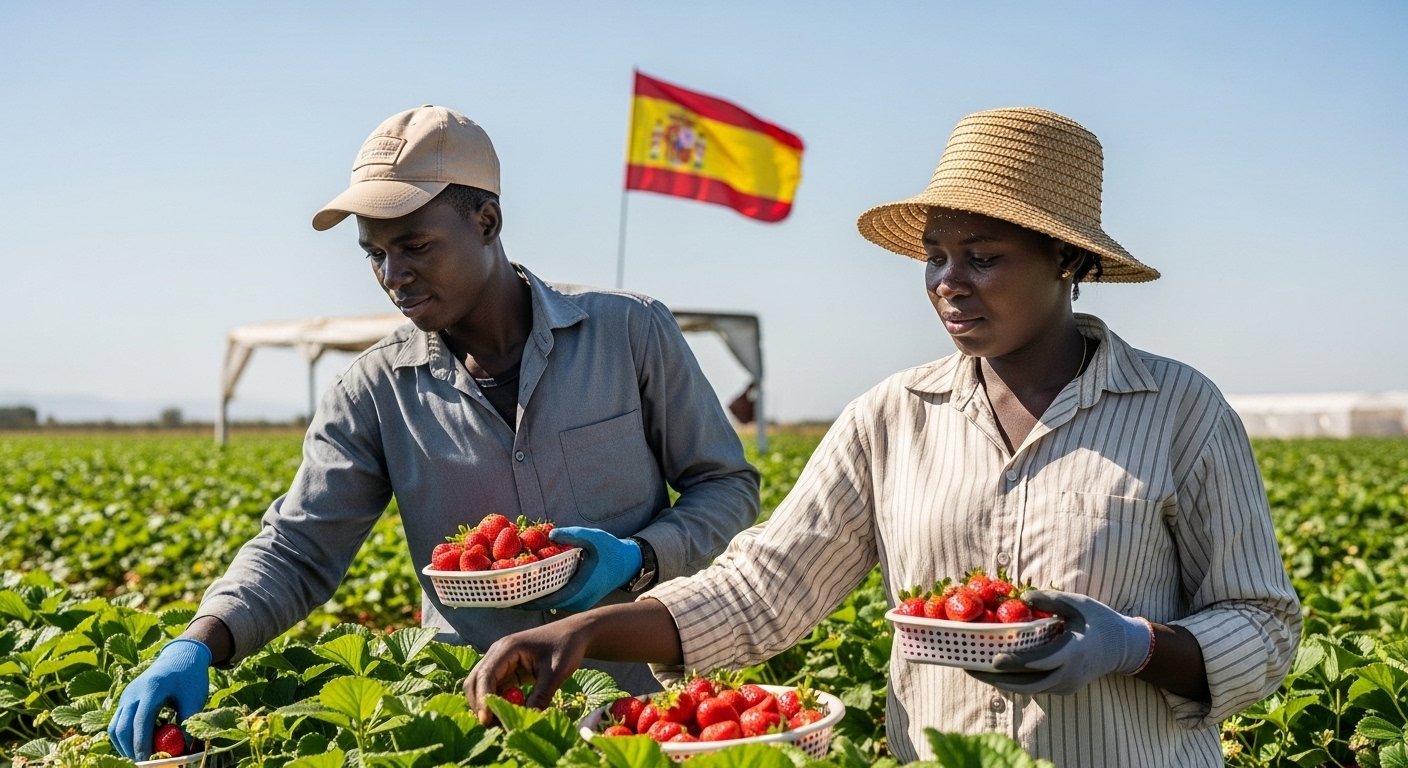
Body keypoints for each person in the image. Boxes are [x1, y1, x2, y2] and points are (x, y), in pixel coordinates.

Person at [463, 107, 1302, 765]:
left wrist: (1133, 645)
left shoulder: (1179, 408)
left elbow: (1263, 626)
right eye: (935, 256)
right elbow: (767, 589)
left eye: (983, 255)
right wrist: (587, 629)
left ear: (1066, 262)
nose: (947, 282)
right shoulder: (889, 417)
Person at [107, 105, 761, 761]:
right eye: (376, 254)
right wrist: (201, 638)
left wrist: (641, 556)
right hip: (471, 727)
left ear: (487, 222)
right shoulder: (373, 390)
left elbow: (725, 486)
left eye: (415, 246)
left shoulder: (630, 333)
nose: (394, 275)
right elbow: (300, 546)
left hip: (639, 719)